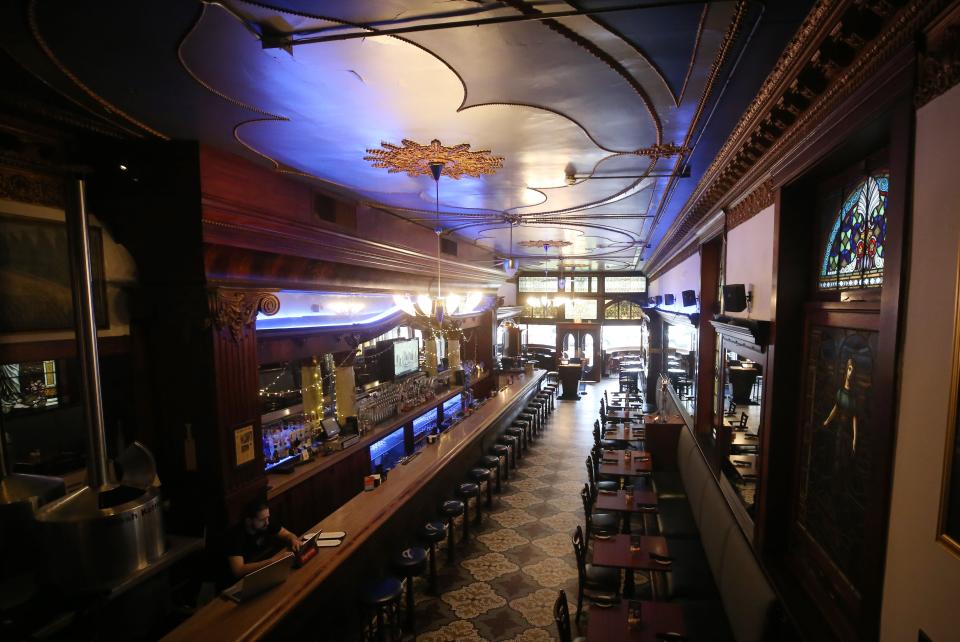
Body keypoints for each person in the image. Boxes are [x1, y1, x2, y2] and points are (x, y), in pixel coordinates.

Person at [226, 497, 301, 578]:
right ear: (248, 521)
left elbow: (286, 534)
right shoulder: (236, 535)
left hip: (265, 570)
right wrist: (273, 561)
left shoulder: (265, 523)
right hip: (244, 579)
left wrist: (293, 539)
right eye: (262, 520)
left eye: (267, 517)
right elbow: (238, 570)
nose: (267, 522)